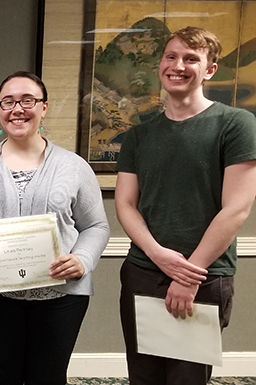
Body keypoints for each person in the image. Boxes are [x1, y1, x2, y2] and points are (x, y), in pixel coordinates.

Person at [0, 71, 110, 385]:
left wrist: (83, 259)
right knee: (0, 375)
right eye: (8, 102)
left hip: (60, 297)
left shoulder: (73, 167)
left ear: (44, 107)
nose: (17, 109)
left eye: (27, 100)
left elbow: (97, 226)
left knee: (47, 377)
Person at [115, 26, 256, 385]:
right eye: (171, 57)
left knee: (186, 379)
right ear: (160, 64)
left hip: (204, 277)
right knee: (143, 377)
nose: (178, 66)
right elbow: (127, 204)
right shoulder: (138, 136)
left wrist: (188, 273)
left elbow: (236, 209)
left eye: (191, 58)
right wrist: (159, 255)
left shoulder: (235, 124)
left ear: (209, 69)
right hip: (143, 271)